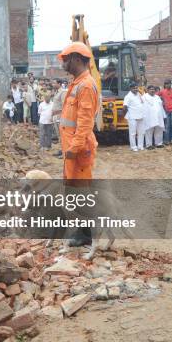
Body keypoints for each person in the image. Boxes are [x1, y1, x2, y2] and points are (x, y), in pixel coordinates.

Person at [58, 42, 99, 247]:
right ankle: (83, 231)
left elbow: (84, 123)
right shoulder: (77, 83)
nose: (63, 62)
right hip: (72, 149)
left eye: (66, 59)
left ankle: (87, 235)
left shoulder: (85, 85)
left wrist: (73, 150)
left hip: (79, 150)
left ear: (76, 59)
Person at [122, 82, 146, 152]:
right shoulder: (128, 96)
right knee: (132, 133)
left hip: (140, 116)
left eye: (136, 88)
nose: (136, 89)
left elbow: (142, 102)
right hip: (132, 117)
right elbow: (124, 107)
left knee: (141, 132)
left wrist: (141, 92)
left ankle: (140, 146)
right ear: (130, 89)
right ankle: (133, 146)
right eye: (134, 88)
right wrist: (125, 115)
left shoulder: (138, 94)